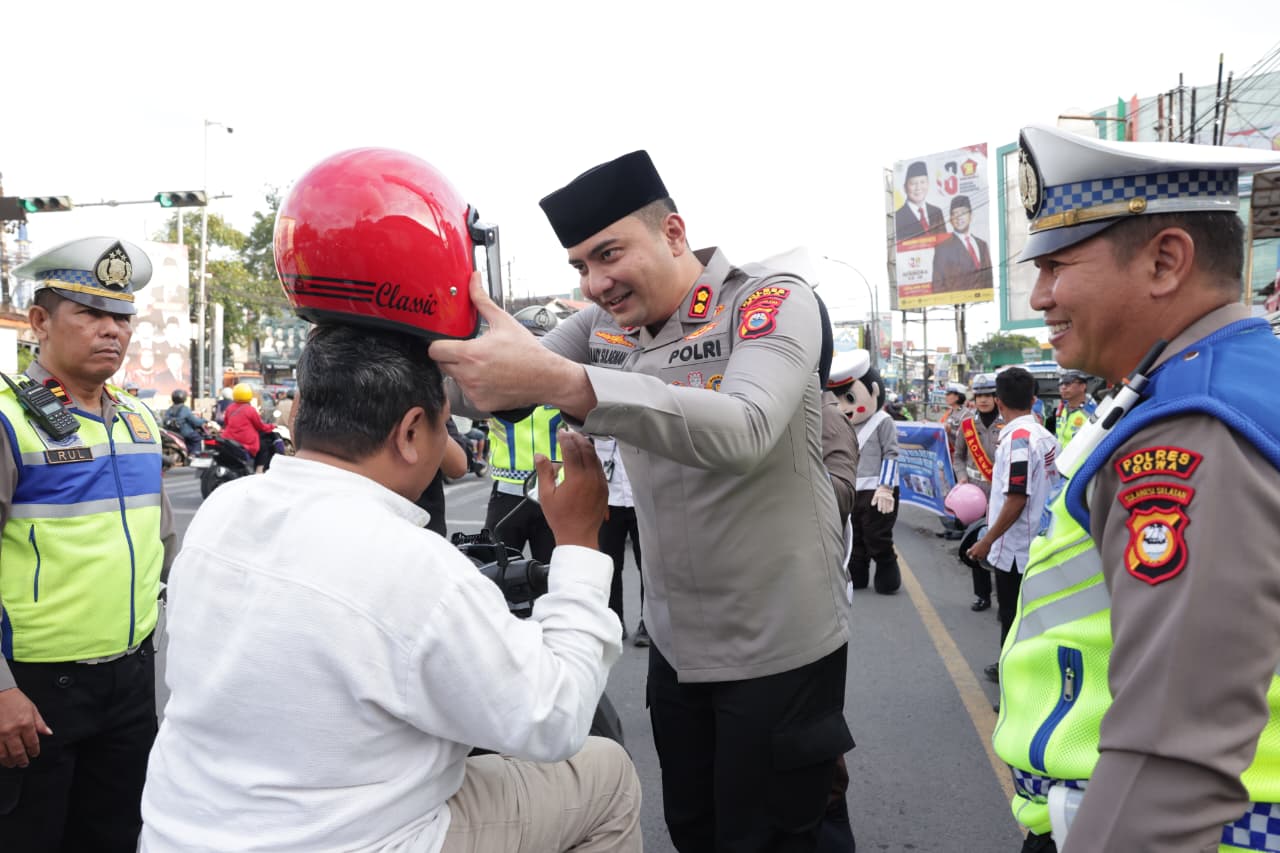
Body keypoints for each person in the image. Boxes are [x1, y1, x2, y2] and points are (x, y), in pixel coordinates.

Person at [430, 150, 852, 851]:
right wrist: (391, 333)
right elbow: (489, 385)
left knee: (778, 838)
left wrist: (573, 386)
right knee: (693, 829)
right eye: (579, 267)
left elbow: (746, 427)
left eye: (609, 254)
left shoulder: (769, 302)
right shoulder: (603, 329)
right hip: (677, 647)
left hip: (779, 647)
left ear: (675, 232)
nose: (595, 283)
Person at [140, 323, 640, 852]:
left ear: (298, 412)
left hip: (181, 832)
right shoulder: (413, 564)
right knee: (603, 773)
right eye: (444, 429)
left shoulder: (224, 509)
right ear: (409, 432)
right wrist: (582, 542)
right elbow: (554, 718)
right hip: (359, 840)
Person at [992, 124, 1280, 852]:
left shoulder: (1191, 429)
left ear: (1165, 260)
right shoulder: (1208, 387)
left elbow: (1169, 756)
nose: (1039, 294)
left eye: (1058, 264)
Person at [0, 237, 176, 852]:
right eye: (90, 313)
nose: (112, 331)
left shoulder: (139, 420)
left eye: (122, 317)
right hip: (32, 693)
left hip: (128, 684)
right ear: (41, 322)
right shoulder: (7, 420)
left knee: (117, 836)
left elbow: (163, 545)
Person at [965, 367, 1059, 685]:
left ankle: (1016, 685)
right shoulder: (1045, 436)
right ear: (1033, 400)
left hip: (1018, 549)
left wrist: (986, 541)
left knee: (1013, 617)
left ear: (1000, 403)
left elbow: (1016, 499)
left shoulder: (1018, 442)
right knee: (1028, 618)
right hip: (1040, 541)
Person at [482, 312, 562, 564]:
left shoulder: (566, 384)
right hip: (507, 494)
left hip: (554, 493)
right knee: (498, 577)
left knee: (554, 578)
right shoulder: (493, 382)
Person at [953, 372, 1004, 611]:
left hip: (1002, 493)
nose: (983, 400)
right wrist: (962, 478)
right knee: (976, 542)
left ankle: (1005, 595)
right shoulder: (967, 424)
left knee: (1002, 543)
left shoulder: (1007, 423)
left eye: (988, 395)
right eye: (980, 395)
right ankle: (982, 594)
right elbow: (958, 457)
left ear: (996, 397)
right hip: (974, 494)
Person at [594, 436, 648, 646]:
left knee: (647, 566)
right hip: (609, 501)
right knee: (609, 567)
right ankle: (614, 621)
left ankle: (648, 623)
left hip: (641, 500)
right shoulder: (597, 416)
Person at [931, 195, 994, 294]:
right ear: (951, 219)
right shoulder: (942, 248)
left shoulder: (982, 245)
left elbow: (989, 278)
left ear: (971, 215)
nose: (959, 217)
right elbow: (937, 284)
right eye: (955, 214)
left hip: (982, 302)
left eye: (963, 213)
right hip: (956, 303)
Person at [221, 381, 277, 473]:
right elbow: (260, 426)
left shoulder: (230, 408)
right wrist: (271, 426)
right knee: (264, 448)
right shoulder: (250, 410)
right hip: (246, 442)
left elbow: (226, 423)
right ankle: (259, 472)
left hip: (230, 440)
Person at [894, 160, 946, 241]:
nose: (918, 187)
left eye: (922, 182)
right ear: (905, 188)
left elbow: (944, 242)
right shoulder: (898, 217)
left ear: (928, 184)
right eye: (913, 183)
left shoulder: (937, 212)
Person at [1053, 368, 1096, 449]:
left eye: (1068, 383)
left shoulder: (1092, 412)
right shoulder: (1061, 409)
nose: (1063, 387)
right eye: (1060, 383)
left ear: (1082, 386)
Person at [164, 388, 214, 455]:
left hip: (173, 433)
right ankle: (194, 455)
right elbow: (195, 422)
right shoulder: (185, 409)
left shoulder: (170, 409)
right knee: (197, 439)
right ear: (184, 398)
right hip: (184, 433)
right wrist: (204, 420)